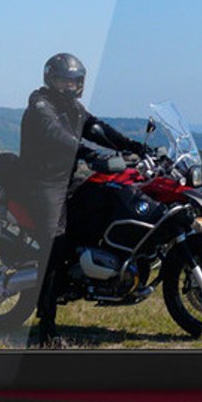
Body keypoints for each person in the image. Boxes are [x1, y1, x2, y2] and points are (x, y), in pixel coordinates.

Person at [19, 52, 147, 346]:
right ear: (50, 80)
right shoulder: (41, 105)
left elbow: (97, 129)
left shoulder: (73, 108)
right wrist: (90, 155)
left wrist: (135, 147)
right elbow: (56, 135)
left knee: (108, 199)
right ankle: (47, 329)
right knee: (55, 245)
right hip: (42, 184)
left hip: (66, 180)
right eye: (64, 81)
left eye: (75, 82)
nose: (70, 86)